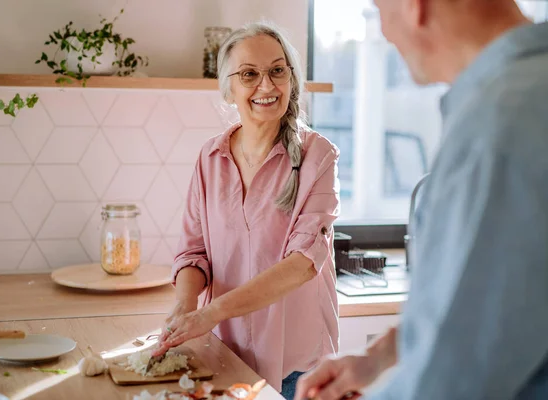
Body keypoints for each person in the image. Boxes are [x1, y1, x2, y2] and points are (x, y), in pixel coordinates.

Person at [295, 0, 548, 399]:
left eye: (379, 7)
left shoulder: (499, 123)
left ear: (414, 6)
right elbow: (496, 308)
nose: (384, 30)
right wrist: (376, 359)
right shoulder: (529, 89)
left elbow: (457, 380)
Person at [151, 21, 341, 399]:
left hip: (296, 365)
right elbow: (194, 253)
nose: (267, 86)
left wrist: (209, 313)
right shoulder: (210, 158)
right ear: (229, 90)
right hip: (226, 352)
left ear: (292, 78)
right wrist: (186, 306)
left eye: (277, 70)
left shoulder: (318, 156)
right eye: (249, 74)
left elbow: (303, 263)